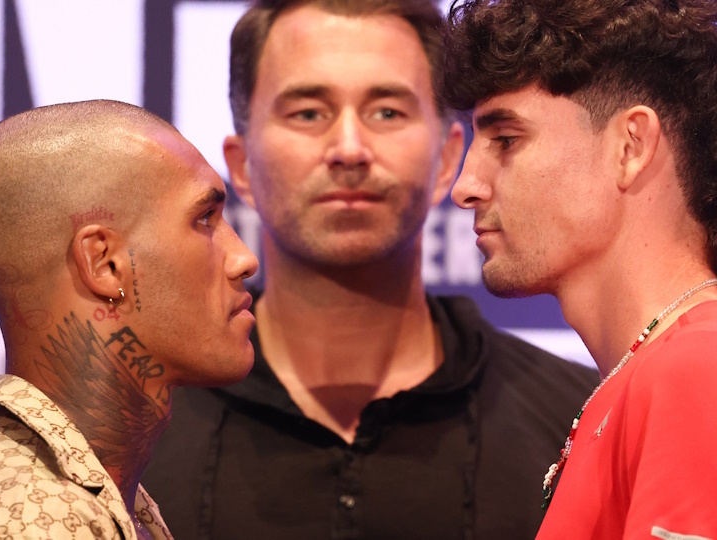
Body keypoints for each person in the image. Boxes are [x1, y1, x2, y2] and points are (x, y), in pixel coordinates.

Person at [142, 1, 599, 538]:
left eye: (387, 112)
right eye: (308, 113)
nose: (349, 149)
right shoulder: (134, 435)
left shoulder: (581, 425)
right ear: (241, 167)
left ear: (449, 160)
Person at [442, 0, 717, 537]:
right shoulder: (649, 374)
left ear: (630, 146)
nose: (465, 185)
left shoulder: (696, 367)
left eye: (505, 140)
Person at [0, 100, 258, 539]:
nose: (244, 259)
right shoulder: (38, 518)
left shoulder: (89, 496)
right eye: (205, 219)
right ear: (105, 264)